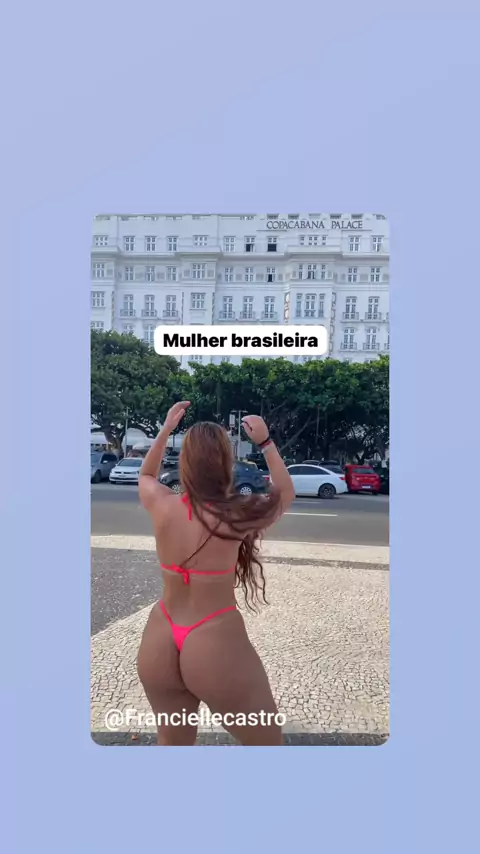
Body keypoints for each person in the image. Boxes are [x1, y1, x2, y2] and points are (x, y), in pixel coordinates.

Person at [136, 401, 295, 745]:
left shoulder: (162, 504)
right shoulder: (237, 514)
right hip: (213, 639)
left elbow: (146, 476)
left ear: (185, 462)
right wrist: (265, 442)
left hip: (161, 633)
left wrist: (165, 430)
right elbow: (285, 493)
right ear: (225, 462)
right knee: (268, 746)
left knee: (172, 746)